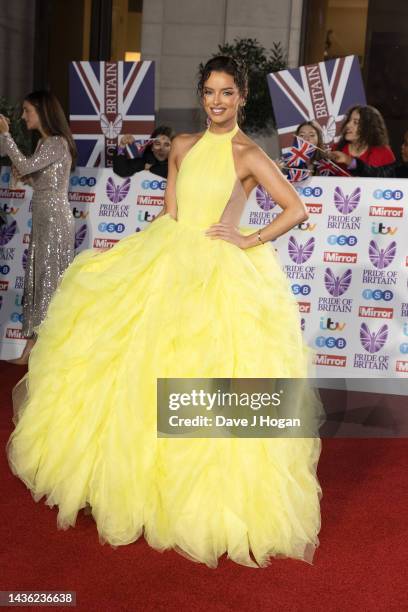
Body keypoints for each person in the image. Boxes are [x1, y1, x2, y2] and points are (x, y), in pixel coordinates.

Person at [7, 56, 322, 568]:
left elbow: (296, 208)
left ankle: (200, 498)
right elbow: (171, 215)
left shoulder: (247, 153)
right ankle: (138, 484)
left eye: (226, 93)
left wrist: (248, 238)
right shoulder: (181, 146)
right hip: (168, 259)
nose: (217, 102)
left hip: (220, 271)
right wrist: (133, 255)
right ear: (201, 96)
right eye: (209, 93)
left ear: (241, 95)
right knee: (141, 365)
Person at [0, 91, 76, 365]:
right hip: (44, 218)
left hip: (55, 220)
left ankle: (42, 354)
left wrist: (6, 135)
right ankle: (30, 351)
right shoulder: (47, 144)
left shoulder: (55, 142)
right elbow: (37, 178)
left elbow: (23, 164)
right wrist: (26, 177)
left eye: (27, 111)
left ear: (42, 112)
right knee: (39, 280)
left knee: (48, 283)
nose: (23, 116)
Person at [329, 105, 396, 177]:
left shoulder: (384, 153)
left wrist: (348, 160)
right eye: (349, 120)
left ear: (369, 127)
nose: (348, 125)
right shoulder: (336, 149)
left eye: (355, 122)